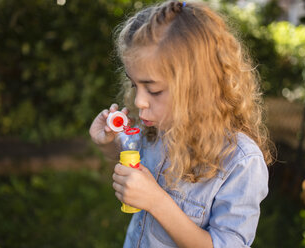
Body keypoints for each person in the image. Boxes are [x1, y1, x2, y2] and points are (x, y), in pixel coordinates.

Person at [89, 0, 275, 247]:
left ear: (198, 88)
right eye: (135, 85)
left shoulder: (239, 161)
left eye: (153, 90)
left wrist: (157, 202)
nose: (139, 101)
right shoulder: (155, 129)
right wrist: (106, 142)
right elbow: (126, 158)